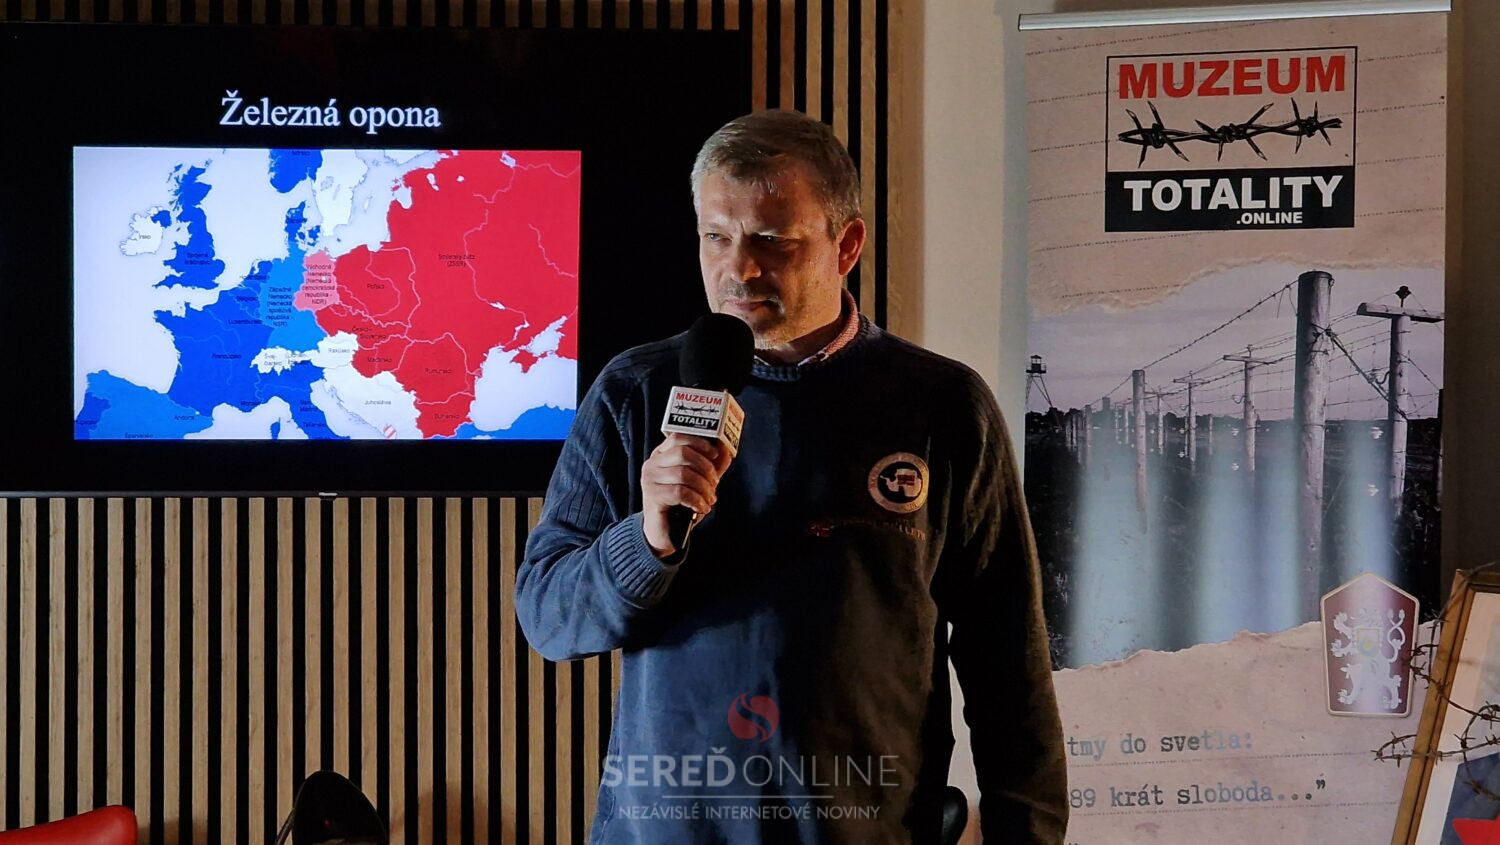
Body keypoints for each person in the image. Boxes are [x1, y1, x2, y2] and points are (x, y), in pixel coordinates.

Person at [516, 109, 1067, 844]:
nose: (739, 268)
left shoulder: (942, 405)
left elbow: (1009, 664)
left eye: (772, 240)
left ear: (847, 245)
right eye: (717, 237)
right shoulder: (635, 392)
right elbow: (549, 618)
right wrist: (646, 540)